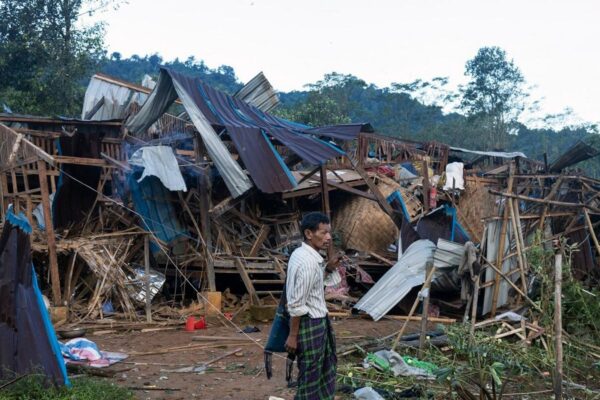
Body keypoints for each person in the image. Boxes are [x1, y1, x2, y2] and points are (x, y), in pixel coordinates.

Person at [285, 212, 341, 400]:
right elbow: (297, 304)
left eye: (329, 233)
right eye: (323, 233)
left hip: (316, 322)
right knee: (311, 376)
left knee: (320, 371)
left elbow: (312, 288)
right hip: (311, 324)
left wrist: (328, 270)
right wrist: (293, 336)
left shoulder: (301, 254)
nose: (328, 238)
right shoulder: (308, 263)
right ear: (309, 234)